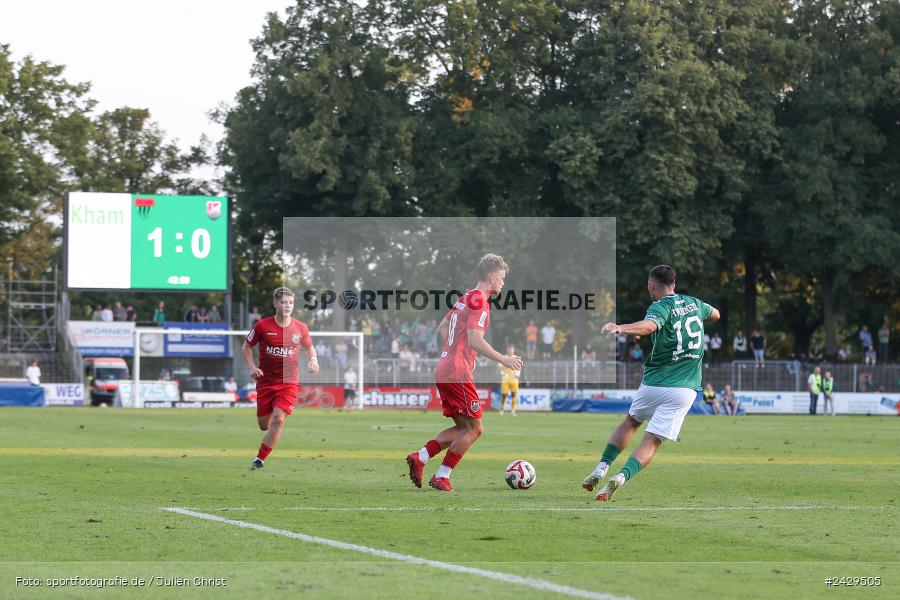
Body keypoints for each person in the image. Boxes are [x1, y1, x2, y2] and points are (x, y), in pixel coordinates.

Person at [581, 265, 720, 502]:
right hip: (685, 389)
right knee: (652, 441)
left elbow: (649, 326)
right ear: (674, 284)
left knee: (631, 422)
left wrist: (620, 328)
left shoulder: (659, 306)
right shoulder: (695, 303)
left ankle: (602, 467)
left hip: (655, 383)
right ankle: (621, 477)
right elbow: (715, 314)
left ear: (652, 285)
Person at [406, 254, 522, 492]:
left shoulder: (465, 298)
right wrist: (504, 359)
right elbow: (475, 339)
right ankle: (441, 476)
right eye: (501, 278)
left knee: (463, 428)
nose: (503, 283)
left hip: (445, 367)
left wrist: (455, 353)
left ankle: (421, 457)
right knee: (475, 429)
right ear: (491, 277)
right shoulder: (480, 301)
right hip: (456, 372)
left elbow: (443, 327)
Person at [243, 287, 319, 470]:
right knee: (264, 425)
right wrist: (253, 367)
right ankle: (264, 445)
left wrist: (313, 361)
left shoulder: (300, 327)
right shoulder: (262, 326)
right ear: (275, 304)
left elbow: (309, 347)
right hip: (266, 382)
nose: (287, 306)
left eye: (291, 302)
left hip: (289, 382)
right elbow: (247, 346)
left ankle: (259, 459)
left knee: (278, 419)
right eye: (284, 302)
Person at [499, 343, 521, 415]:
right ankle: (502, 409)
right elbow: (499, 366)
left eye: (511, 349)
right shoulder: (503, 357)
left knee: (514, 395)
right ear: (507, 350)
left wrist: (518, 374)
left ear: (513, 350)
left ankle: (513, 410)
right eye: (509, 349)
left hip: (514, 380)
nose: (510, 350)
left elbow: (519, 367)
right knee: (504, 395)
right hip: (505, 379)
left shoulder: (517, 358)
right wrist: (502, 373)